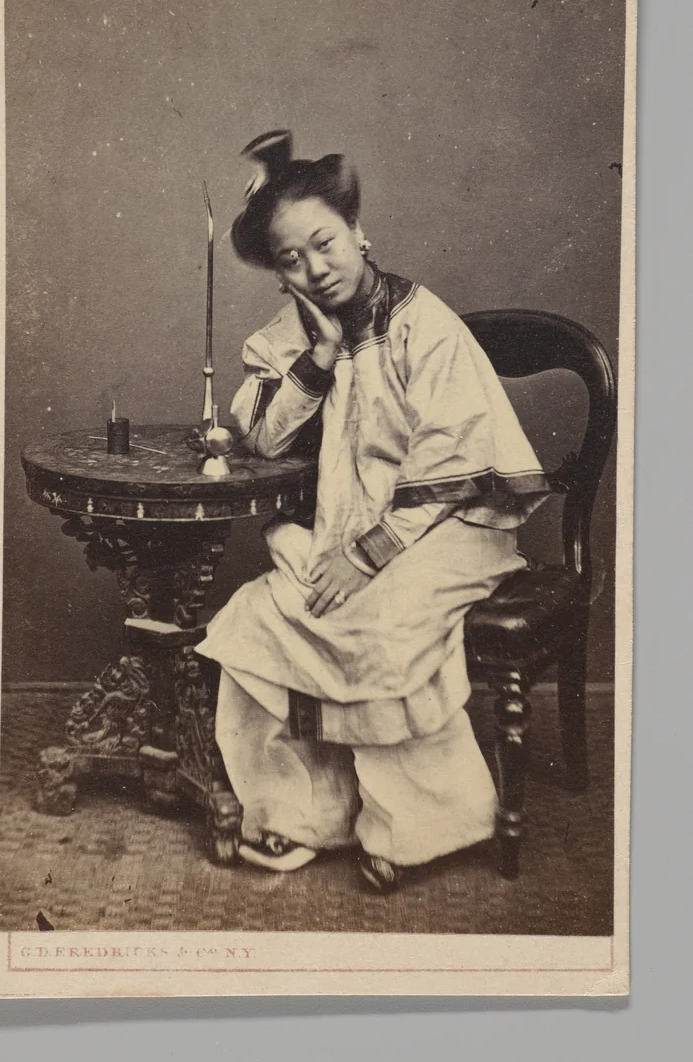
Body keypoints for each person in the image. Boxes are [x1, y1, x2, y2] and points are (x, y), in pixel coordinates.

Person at [199, 130, 549, 892]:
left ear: (357, 232)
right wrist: (319, 361)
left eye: (323, 243)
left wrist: (365, 556)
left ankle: (424, 824)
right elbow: (257, 433)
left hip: (452, 528)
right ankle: (305, 814)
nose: (314, 268)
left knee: (374, 623)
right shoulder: (291, 339)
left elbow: (454, 460)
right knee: (259, 613)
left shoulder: (426, 324)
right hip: (345, 529)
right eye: (291, 260)